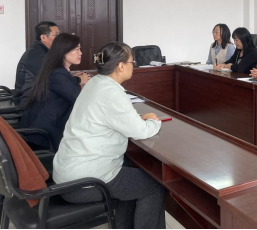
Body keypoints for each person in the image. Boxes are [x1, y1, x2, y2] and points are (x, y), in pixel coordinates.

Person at [53, 42, 165, 229]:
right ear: (121, 66)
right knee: (153, 186)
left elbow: (107, 117)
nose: (133, 66)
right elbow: (141, 131)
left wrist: (135, 119)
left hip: (68, 172)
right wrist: (154, 121)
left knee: (131, 178)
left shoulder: (95, 83)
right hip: (85, 182)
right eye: (132, 62)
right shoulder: (112, 93)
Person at [19, 33, 90, 150]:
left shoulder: (58, 70)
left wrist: (77, 80)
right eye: (76, 49)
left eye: (80, 49)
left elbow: (65, 85)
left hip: (47, 125)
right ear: (63, 51)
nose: (80, 53)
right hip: (44, 134)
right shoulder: (57, 73)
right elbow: (78, 99)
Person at [13, 22, 59, 106]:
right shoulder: (36, 53)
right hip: (27, 101)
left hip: (37, 95)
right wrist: (77, 80)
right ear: (43, 37)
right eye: (56, 35)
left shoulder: (42, 50)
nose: (59, 38)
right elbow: (52, 77)